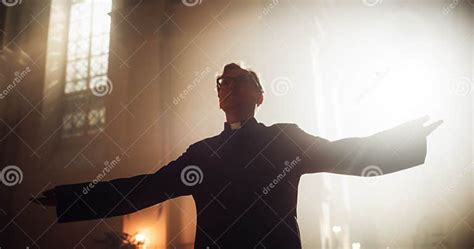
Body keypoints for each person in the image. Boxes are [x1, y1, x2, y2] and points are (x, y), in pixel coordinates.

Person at [34, 63, 442, 249]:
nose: (228, 86)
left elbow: (345, 154)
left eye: (239, 81)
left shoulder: (285, 140)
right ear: (219, 99)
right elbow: (146, 187)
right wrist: (72, 196)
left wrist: (405, 139)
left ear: (259, 96)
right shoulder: (203, 153)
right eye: (222, 83)